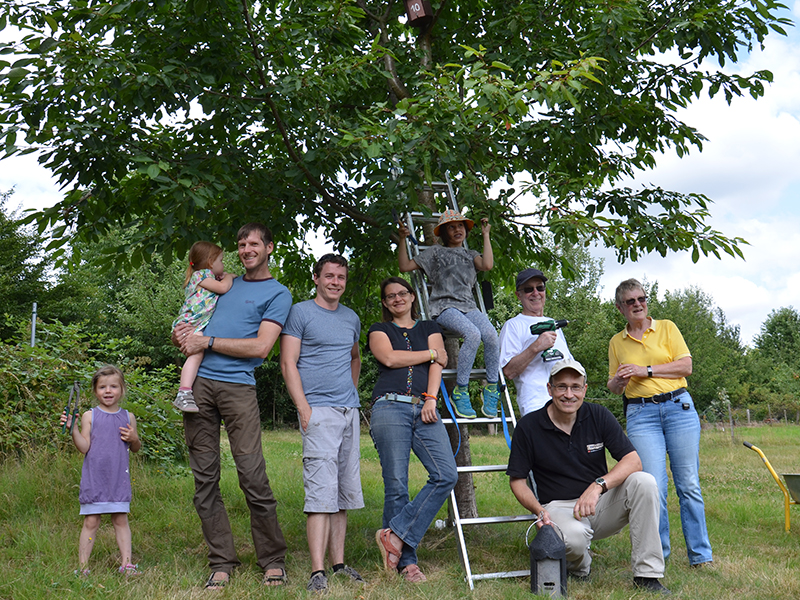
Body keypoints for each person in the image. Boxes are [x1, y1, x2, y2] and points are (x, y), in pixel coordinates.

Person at [173, 223, 290, 589]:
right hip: (198, 387)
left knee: (252, 475)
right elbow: (191, 314)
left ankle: (272, 559)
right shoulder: (223, 281)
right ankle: (221, 560)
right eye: (241, 244)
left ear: (269, 247)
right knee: (204, 478)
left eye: (254, 243)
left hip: (238, 388)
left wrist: (204, 341)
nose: (246, 249)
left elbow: (260, 348)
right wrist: (181, 333)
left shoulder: (278, 293)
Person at [507, 359, 669, 594]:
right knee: (572, 540)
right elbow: (517, 481)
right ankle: (579, 566)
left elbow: (633, 460)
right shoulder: (528, 426)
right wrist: (540, 511)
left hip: (599, 504)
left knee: (644, 482)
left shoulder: (598, 415)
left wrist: (598, 486)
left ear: (584, 390)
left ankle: (647, 575)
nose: (569, 394)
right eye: (561, 386)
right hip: (558, 508)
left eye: (575, 387)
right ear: (549, 389)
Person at [607, 278, 713, 567]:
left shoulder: (666, 327)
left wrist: (646, 370)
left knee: (688, 484)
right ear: (620, 308)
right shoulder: (617, 341)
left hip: (678, 407)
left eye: (642, 298)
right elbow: (614, 387)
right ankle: (658, 556)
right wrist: (618, 380)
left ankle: (700, 555)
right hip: (641, 415)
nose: (638, 304)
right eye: (631, 301)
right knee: (653, 487)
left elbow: (686, 366)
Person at [280, 254, 365, 593]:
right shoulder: (301, 312)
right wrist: (304, 409)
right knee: (320, 493)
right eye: (329, 276)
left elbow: (355, 357)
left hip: (348, 411)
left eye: (341, 277)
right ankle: (317, 571)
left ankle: (339, 564)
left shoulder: (352, 318)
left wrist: (351, 391)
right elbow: (288, 363)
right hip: (318, 411)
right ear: (316, 278)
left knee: (342, 492)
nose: (335, 282)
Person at [368, 277, 458, 583]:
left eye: (402, 293)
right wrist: (432, 354)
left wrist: (432, 398)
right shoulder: (379, 330)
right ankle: (406, 563)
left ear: (411, 296)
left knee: (446, 474)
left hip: (425, 406)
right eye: (390, 296)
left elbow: (439, 365)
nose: (397, 299)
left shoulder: (430, 327)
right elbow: (390, 358)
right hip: (389, 406)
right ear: (385, 302)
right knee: (397, 484)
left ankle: (393, 536)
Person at [398, 209, 500, 419]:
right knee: (473, 334)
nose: (457, 230)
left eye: (460, 226)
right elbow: (405, 266)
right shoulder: (435, 252)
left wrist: (486, 235)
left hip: (468, 306)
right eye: (451, 227)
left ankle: (491, 388)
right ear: (444, 233)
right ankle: (460, 390)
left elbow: (488, 265)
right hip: (444, 307)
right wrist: (401, 239)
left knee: (491, 335)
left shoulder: (470, 254)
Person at [60, 365, 142, 576]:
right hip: (94, 479)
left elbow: (135, 447)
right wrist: (74, 430)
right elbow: (84, 447)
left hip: (117, 479)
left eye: (114, 386)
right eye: (102, 387)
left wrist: (134, 438)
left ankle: (127, 564)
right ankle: (83, 567)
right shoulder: (90, 415)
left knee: (120, 519)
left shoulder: (128, 416)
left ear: (122, 390)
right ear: (95, 391)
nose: (108, 391)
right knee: (91, 521)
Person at [499, 268, 573, 415]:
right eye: (528, 289)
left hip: (566, 404)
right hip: (536, 405)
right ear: (518, 295)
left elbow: (569, 363)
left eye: (540, 288)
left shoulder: (553, 323)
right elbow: (508, 371)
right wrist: (536, 347)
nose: (535, 293)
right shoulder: (513, 326)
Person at [171, 241, 234, 413]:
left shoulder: (204, 277)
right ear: (210, 262)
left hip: (192, 323)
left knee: (197, 355)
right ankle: (183, 393)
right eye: (221, 261)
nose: (223, 265)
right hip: (191, 324)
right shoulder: (201, 275)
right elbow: (223, 288)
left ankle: (184, 392)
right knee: (196, 355)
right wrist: (229, 276)